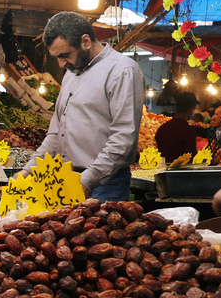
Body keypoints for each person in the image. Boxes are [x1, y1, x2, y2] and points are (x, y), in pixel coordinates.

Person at [32, 11, 144, 201]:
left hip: (104, 184)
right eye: (56, 57)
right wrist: (28, 170)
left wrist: (87, 180)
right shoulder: (72, 71)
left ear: (85, 41)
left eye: (64, 55)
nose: (60, 64)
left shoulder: (123, 71)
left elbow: (124, 138)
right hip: (66, 180)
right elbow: (55, 133)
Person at [154, 91, 198, 163]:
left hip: (163, 170)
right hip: (181, 172)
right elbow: (191, 157)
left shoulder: (162, 128)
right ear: (191, 109)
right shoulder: (188, 131)